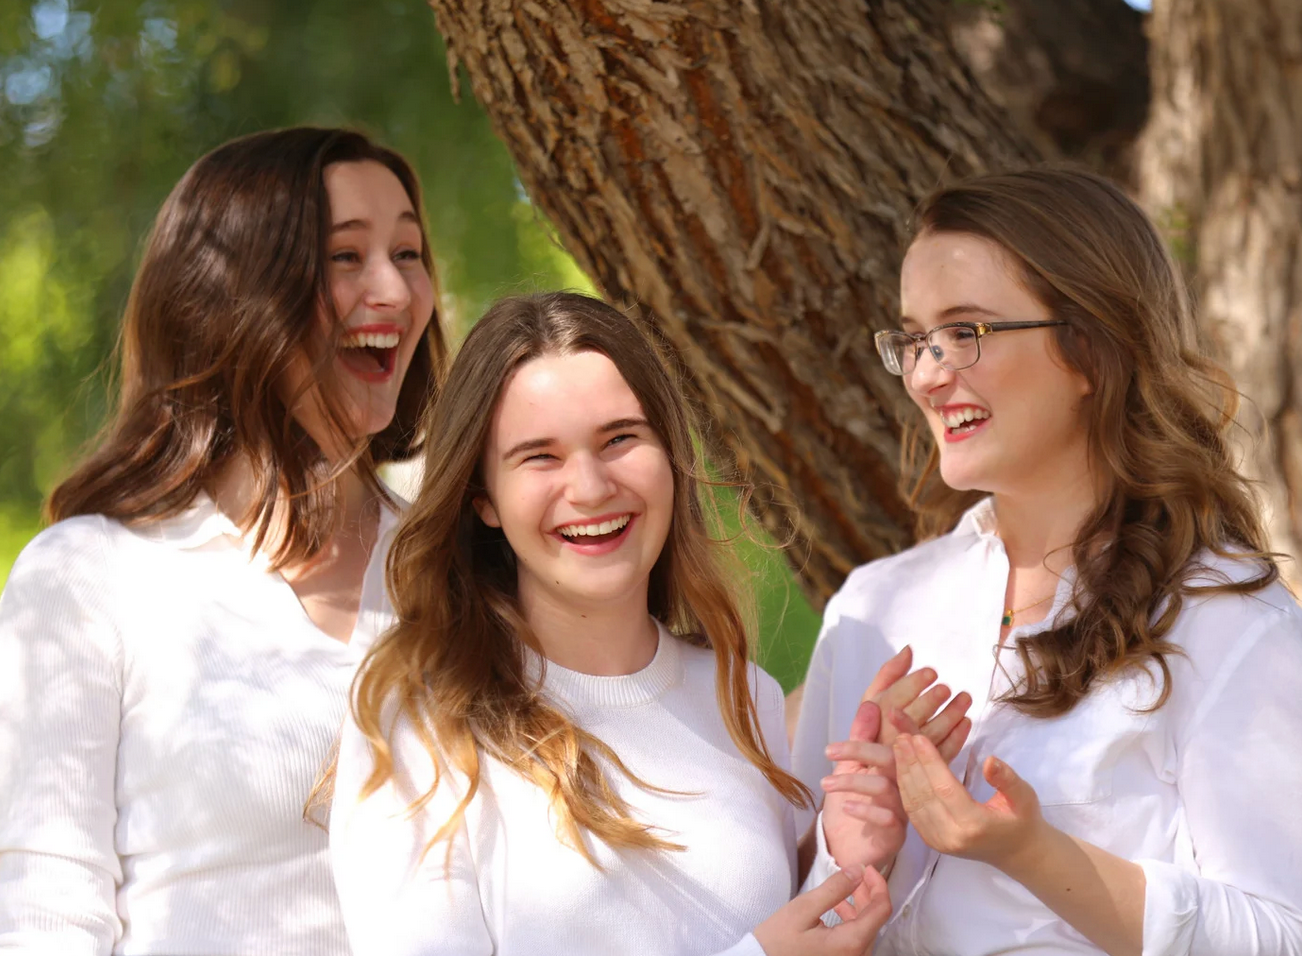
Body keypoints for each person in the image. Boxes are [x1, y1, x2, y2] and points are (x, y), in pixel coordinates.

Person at [792, 167, 1302, 954]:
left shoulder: (1231, 623)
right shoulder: (873, 611)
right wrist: (851, 847)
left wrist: (1031, 852)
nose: (928, 373)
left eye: (967, 332)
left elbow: (1284, 933)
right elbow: (802, 925)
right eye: (915, 338)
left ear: (1093, 349)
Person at [328, 291, 895, 956]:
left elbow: (782, 935)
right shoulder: (423, 720)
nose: (591, 487)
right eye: (540, 456)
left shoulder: (742, 693)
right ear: (483, 497)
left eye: (620, 438)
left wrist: (843, 853)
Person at [0, 126, 445, 954]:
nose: (393, 288)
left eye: (409, 252)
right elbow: (45, 910)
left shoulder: (451, 564)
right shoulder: (88, 577)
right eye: (344, 257)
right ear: (235, 294)